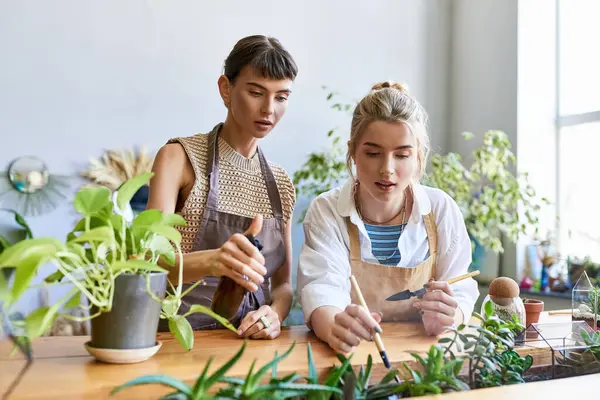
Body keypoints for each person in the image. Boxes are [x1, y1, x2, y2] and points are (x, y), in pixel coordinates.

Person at [296, 81, 479, 354]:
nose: (387, 169)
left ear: (418, 157)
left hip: (427, 357)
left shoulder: (440, 208)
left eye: (402, 155)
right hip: (351, 354)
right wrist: (334, 325)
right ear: (353, 152)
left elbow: (461, 284)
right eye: (372, 153)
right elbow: (322, 288)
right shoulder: (328, 210)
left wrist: (454, 314)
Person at [146, 35, 298, 340]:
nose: (269, 108)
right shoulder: (179, 157)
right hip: (178, 339)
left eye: (281, 97)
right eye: (256, 92)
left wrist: (274, 314)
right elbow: (148, 262)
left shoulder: (281, 183)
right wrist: (213, 261)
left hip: (249, 345)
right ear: (225, 89)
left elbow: (281, 285)